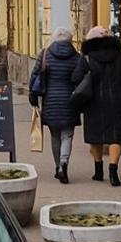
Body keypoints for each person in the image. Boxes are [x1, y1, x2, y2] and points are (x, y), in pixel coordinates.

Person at [73, 26, 121, 187]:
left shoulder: (87, 58)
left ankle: (98, 170)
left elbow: (77, 78)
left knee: (96, 136)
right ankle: (113, 171)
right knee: (116, 136)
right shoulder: (120, 56)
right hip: (118, 100)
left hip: (94, 102)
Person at [29, 26, 81, 183]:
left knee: (55, 135)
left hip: (50, 101)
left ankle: (57, 165)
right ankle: (64, 164)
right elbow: (80, 78)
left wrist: (32, 94)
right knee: (67, 135)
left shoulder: (45, 54)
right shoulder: (76, 57)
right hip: (70, 101)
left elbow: (35, 75)